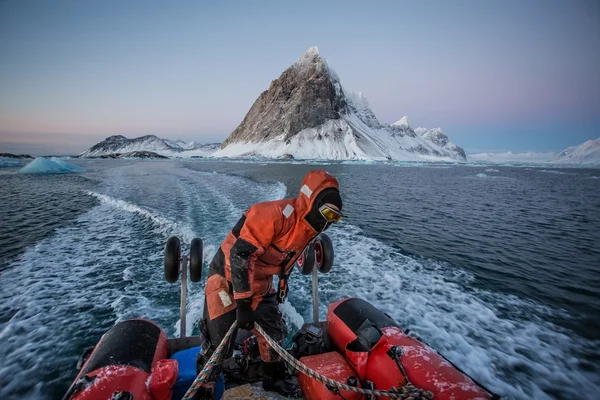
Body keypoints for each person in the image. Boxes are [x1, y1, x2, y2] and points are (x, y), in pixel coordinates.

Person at [196, 170, 343, 398]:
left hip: (259, 283)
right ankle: (204, 387)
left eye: (335, 218)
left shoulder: (308, 229)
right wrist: (243, 305)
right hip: (227, 277)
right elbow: (240, 255)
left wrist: (282, 284)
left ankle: (271, 378)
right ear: (311, 203)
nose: (328, 222)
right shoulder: (272, 215)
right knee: (219, 342)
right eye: (327, 213)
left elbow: (287, 258)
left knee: (274, 334)